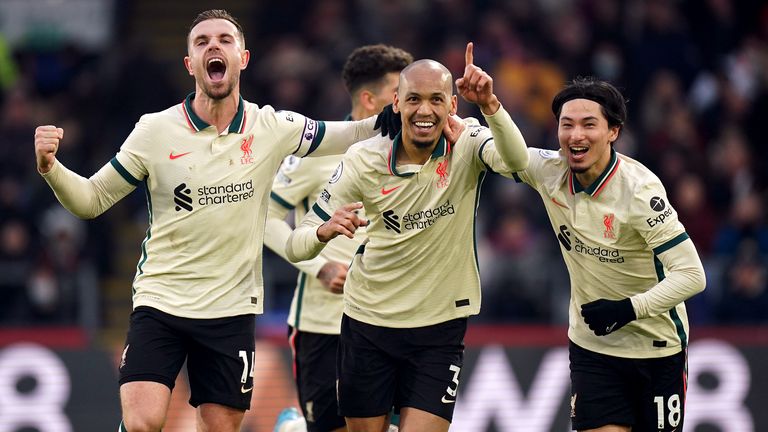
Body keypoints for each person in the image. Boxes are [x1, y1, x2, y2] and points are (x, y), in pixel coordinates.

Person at [33, 10, 395, 432]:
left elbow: (346, 133)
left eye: (224, 39)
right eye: (202, 42)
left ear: (243, 57)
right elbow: (91, 200)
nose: (213, 47)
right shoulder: (155, 130)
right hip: (162, 299)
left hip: (231, 308)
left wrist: (406, 115)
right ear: (190, 64)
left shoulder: (272, 126)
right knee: (141, 423)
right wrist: (50, 167)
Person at [286, 42, 529, 432]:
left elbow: (517, 162)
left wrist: (490, 106)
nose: (425, 110)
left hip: (439, 327)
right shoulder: (364, 158)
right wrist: (322, 231)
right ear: (395, 103)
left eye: (436, 99)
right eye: (414, 99)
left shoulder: (468, 141)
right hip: (368, 324)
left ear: (452, 104)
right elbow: (295, 241)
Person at [509, 77, 706, 431]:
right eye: (566, 125)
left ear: (613, 131)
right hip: (593, 349)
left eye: (589, 124)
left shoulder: (640, 192)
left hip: (656, 349)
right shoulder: (549, 171)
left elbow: (693, 275)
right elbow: (494, 148)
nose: (575, 135)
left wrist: (629, 309)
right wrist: (487, 108)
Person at [267, 45, 413, 432]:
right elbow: (264, 219)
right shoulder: (316, 154)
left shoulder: (419, 155)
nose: (411, 104)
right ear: (370, 100)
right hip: (324, 322)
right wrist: (318, 267)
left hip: (392, 319)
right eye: (401, 95)